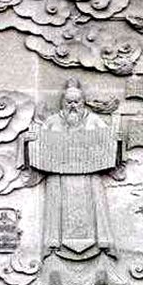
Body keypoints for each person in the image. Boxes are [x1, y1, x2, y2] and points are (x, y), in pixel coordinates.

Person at [35, 78, 122, 260]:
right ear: (62, 103)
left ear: (83, 102)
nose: (73, 106)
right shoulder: (52, 122)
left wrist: (117, 140)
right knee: (55, 206)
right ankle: (52, 245)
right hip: (58, 175)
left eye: (77, 102)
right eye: (69, 102)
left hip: (89, 174)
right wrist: (30, 140)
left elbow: (109, 143)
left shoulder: (94, 121)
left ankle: (104, 243)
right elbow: (38, 144)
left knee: (97, 203)